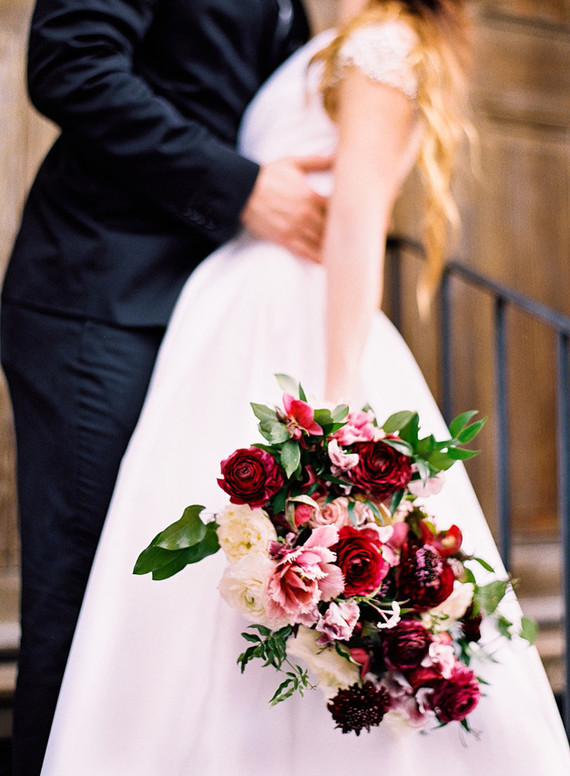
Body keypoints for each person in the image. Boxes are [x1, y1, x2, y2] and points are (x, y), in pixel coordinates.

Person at [38, 0, 570, 773]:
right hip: (230, 307)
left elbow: (356, 225)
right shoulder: (323, 36)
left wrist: (335, 411)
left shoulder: (381, 44)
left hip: (285, 317)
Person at [0, 1, 330, 773]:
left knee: (161, 621)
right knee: (88, 608)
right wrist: (239, 188)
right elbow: (70, 62)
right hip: (101, 300)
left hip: (210, 318)